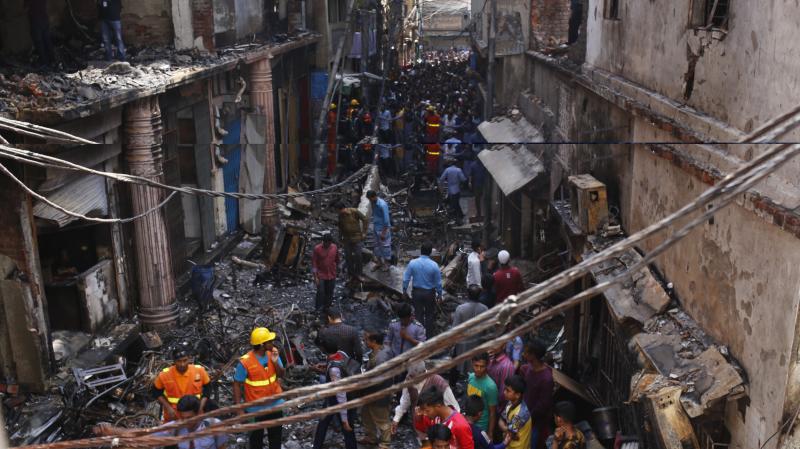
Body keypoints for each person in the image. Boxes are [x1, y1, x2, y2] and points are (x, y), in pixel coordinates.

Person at [94, 395, 230, 449]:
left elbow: (222, 446)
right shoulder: (175, 428)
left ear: (199, 414)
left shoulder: (213, 425)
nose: (184, 422)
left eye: (189, 418)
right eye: (182, 418)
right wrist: (111, 431)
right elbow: (142, 434)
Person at [232, 327, 286, 449]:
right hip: (255, 410)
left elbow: (282, 374)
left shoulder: (273, 353)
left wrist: (276, 361)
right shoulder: (245, 362)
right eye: (269, 341)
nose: (272, 343)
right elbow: (236, 384)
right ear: (262, 345)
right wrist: (239, 409)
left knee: (276, 439)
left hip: (275, 405)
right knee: (255, 441)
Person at [393, 362, 460, 437]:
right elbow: (405, 400)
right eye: (411, 376)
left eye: (415, 377)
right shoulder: (409, 379)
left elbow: (454, 407)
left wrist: (450, 428)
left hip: (438, 427)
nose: (412, 379)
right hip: (419, 426)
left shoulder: (438, 382)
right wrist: (396, 419)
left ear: (423, 373)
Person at [313, 337, 357, 449]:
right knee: (346, 429)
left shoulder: (334, 370)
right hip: (349, 394)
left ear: (324, 349)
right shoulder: (342, 354)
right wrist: (325, 366)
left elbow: (340, 393)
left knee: (343, 426)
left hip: (336, 400)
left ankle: (317, 446)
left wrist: (344, 418)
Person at [152, 346, 212, 422]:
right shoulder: (164, 375)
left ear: (189, 359)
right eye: (179, 361)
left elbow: (208, 388)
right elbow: (156, 392)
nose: (182, 364)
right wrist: (168, 407)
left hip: (195, 414)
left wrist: (201, 407)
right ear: (174, 361)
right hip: (174, 416)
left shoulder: (199, 371)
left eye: (185, 360)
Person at [360, 330, 394, 449]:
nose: (364, 341)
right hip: (371, 392)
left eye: (366, 339)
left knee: (382, 419)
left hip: (378, 393)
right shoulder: (381, 351)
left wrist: (363, 382)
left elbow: (380, 379)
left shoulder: (381, 357)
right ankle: (371, 437)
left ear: (374, 341)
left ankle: (385, 443)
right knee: (366, 414)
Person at [402, 242, 443, 337]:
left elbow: (406, 278)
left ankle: (418, 336)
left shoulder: (413, 263)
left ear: (421, 251)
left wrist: (404, 291)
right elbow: (438, 283)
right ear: (430, 253)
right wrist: (440, 295)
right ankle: (428, 337)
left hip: (417, 293)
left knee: (418, 315)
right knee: (429, 316)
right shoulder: (434, 265)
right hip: (429, 293)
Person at [519, 340, 554, 449]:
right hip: (524, 415)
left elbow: (542, 405)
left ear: (533, 356)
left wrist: (528, 418)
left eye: (526, 352)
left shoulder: (546, 378)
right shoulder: (529, 368)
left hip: (534, 422)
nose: (523, 354)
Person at [452, 285, 488, 379]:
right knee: (476, 368)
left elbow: (455, 329)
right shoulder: (484, 309)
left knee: (461, 367)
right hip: (478, 344)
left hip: (463, 345)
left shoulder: (460, 308)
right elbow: (487, 329)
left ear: (468, 295)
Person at [467, 353, 499, 439]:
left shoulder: (490, 386)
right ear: (472, 363)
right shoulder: (471, 377)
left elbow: (492, 413)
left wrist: (490, 433)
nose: (479, 369)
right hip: (469, 423)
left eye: (482, 366)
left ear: (487, 365)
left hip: (481, 427)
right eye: (476, 366)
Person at [337, 202, 369, 285]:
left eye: (340, 210)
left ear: (343, 208)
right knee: (348, 257)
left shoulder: (354, 211)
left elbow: (365, 219)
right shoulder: (340, 216)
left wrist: (364, 232)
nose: (340, 213)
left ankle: (359, 274)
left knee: (358, 255)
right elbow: (340, 227)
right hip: (347, 239)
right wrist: (340, 238)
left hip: (357, 237)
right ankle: (350, 274)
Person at [498, 375, 532, 449]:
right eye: (505, 389)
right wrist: (506, 430)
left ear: (517, 395)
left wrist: (506, 431)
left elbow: (511, 435)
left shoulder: (520, 414)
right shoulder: (510, 402)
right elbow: (500, 420)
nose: (504, 392)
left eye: (508, 390)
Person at [311, 232, 339, 313]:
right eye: (325, 242)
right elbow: (314, 263)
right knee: (320, 292)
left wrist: (338, 268)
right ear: (323, 241)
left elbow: (337, 259)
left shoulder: (334, 247)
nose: (327, 244)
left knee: (330, 292)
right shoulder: (317, 249)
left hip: (331, 273)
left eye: (329, 243)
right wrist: (315, 277)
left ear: (331, 242)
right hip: (321, 274)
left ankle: (327, 307)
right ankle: (318, 309)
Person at [367, 190, 392, 270]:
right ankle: (379, 262)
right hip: (376, 227)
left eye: (370, 199)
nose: (370, 201)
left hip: (383, 229)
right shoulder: (373, 203)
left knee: (385, 246)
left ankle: (387, 264)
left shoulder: (382, 205)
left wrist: (383, 233)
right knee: (376, 246)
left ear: (374, 196)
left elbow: (386, 221)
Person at [488, 341, 516, 411]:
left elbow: (503, 395)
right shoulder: (491, 358)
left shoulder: (506, 366)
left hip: (494, 407)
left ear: (503, 346)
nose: (493, 346)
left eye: (497, 344)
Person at [27, 0, 55, 66]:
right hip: (44, 18)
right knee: (47, 40)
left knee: (39, 42)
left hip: (36, 20)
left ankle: (44, 61)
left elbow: (25, 7)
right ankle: (52, 60)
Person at [327, 103, 338, 176]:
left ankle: (330, 172)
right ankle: (330, 172)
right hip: (331, 140)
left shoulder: (330, 115)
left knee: (331, 157)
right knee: (331, 158)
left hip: (331, 139)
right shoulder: (332, 115)